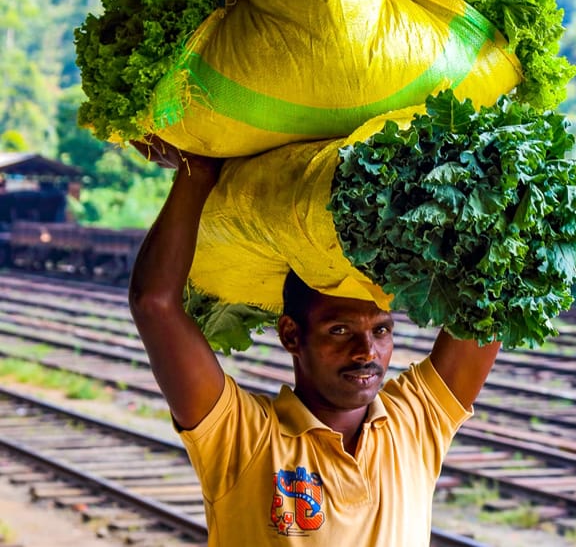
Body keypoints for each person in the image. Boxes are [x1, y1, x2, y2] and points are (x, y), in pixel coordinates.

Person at [127, 139, 501, 546]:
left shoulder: (414, 425)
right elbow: (154, 304)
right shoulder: (244, 438)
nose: (366, 353)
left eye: (381, 330)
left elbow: (494, 303)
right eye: (339, 330)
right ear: (291, 334)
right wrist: (195, 172)